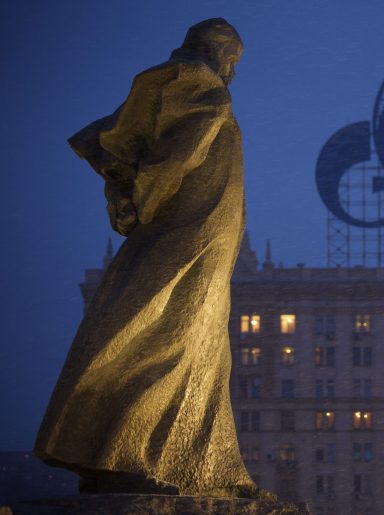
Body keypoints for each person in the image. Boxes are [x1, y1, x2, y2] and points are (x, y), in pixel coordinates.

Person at [35, 18, 264, 498]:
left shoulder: (179, 85)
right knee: (166, 340)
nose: (233, 74)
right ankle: (118, 457)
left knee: (205, 355)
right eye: (233, 60)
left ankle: (214, 468)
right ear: (216, 50)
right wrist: (141, 201)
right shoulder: (204, 89)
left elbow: (143, 146)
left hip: (206, 240)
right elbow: (172, 160)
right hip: (191, 236)